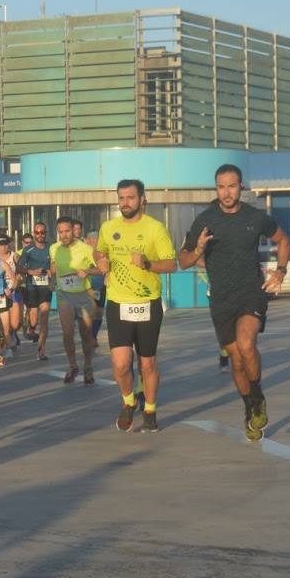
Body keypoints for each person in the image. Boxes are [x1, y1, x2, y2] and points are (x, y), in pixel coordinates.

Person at [178, 163, 289, 442]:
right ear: (216, 188)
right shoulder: (205, 220)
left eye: (232, 186)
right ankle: (250, 405)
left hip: (251, 291)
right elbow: (183, 260)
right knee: (237, 362)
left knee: (246, 344)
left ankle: (258, 395)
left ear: (241, 187)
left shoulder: (255, 217)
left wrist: (281, 269)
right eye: (221, 186)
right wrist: (200, 248)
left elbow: (282, 239)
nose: (227, 192)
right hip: (221, 300)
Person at [93, 179, 177, 433]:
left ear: (142, 199)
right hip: (118, 302)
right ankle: (129, 402)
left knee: (147, 363)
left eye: (130, 197)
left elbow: (171, 264)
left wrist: (149, 264)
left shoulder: (155, 228)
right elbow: (99, 252)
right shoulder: (109, 227)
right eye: (121, 198)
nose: (125, 203)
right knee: (120, 364)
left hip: (147, 302)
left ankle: (150, 409)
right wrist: (101, 261)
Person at [50, 216, 99, 385]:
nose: (64, 235)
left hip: (83, 295)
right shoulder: (54, 248)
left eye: (67, 231)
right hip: (64, 295)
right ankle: (72, 366)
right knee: (67, 332)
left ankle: (88, 366)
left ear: (74, 230)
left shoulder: (86, 249)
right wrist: (52, 278)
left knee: (86, 334)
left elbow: (101, 268)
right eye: (60, 232)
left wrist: (88, 271)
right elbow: (54, 265)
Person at [18, 221, 54, 361]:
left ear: (46, 233)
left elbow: (56, 266)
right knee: (34, 318)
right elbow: (19, 268)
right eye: (37, 232)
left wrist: (52, 272)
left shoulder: (51, 248)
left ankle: (41, 350)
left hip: (45, 287)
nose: (40, 235)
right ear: (34, 234)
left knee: (44, 318)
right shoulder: (29, 250)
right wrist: (31, 271)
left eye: (42, 232)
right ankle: (30, 326)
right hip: (32, 287)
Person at [0, 235, 22, 355]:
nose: (3, 247)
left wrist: (18, 278)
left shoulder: (14, 256)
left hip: (13, 291)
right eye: (1, 245)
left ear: (9, 244)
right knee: (1, 322)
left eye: (5, 244)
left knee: (15, 323)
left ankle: (12, 333)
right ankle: (8, 340)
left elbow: (22, 271)